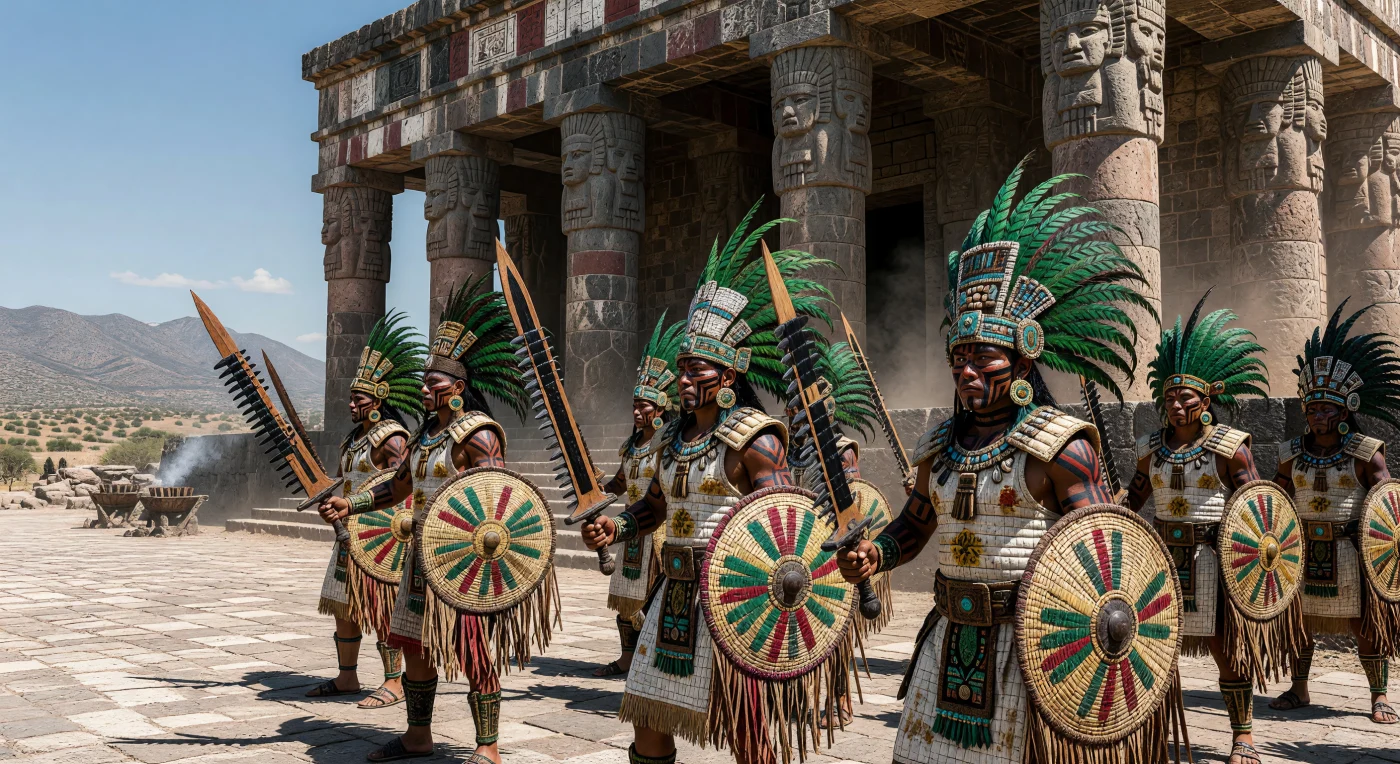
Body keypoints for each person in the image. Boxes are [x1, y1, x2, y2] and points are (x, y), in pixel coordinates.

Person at [837, 160, 1164, 764]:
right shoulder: (939, 447)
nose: (965, 370)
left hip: (1034, 648)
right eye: (957, 356)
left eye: (982, 356)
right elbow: (914, 524)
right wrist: (875, 554)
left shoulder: (1062, 447)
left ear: (1021, 361)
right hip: (949, 639)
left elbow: (1102, 558)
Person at [581, 202, 838, 764]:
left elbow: (785, 530)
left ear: (729, 375)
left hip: (733, 600)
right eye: (683, 367)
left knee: (747, 730)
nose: (684, 378)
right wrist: (616, 524)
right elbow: (652, 507)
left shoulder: (756, 440)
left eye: (697, 369)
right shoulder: (672, 438)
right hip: (669, 595)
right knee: (649, 720)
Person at [319, 277, 537, 764]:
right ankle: (418, 736)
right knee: (415, 645)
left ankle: (489, 746)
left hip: (462, 561)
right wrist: (350, 506)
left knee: (474, 648)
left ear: (457, 389)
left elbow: (493, 495)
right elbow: (398, 487)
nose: (423, 389)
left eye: (432, 383)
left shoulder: (477, 434)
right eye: (422, 382)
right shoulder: (422, 438)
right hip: (418, 558)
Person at [1126, 289, 1303, 764]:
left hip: (1214, 559)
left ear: (1206, 399)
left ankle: (1242, 734)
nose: (1176, 404)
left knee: (1228, 647)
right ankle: (1149, 732)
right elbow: (1134, 498)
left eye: (1185, 396)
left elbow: (1256, 505)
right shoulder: (1149, 446)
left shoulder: (1230, 446)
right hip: (1162, 559)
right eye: (1169, 396)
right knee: (1154, 648)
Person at [1267, 301, 1400, 724]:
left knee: (1365, 623)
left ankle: (1378, 695)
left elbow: (1388, 505)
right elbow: (1275, 498)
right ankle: (1300, 688)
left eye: (1326, 408)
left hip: (1351, 550)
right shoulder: (1290, 454)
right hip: (1302, 550)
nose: (1317, 415)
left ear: (1344, 412)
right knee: (1301, 623)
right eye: (1312, 408)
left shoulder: (1366, 452)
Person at [307, 311, 424, 710]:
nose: (352, 403)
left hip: (381, 538)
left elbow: (402, 488)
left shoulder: (392, 437)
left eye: (359, 398)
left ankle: (394, 681)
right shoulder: (353, 439)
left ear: (378, 400)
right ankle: (347, 676)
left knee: (382, 606)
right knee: (345, 604)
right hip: (348, 532)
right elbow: (345, 480)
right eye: (353, 397)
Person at [784, 341, 885, 728]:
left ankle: (840, 698)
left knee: (838, 627)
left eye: (804, 410)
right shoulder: (787, 452)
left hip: (835, 547)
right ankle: (795, 695)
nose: (796, 416)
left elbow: (852, 500)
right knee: (796, 622)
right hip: (798, 548)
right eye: (793, 410)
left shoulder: (841, 450)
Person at [594, 315, 684, 678]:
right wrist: (593, 482)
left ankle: (649, 661)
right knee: (625, 602)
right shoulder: (631, 446)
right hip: (630, 532)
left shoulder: (668, 443)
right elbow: (618, 484)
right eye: (635, 405)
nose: (637, 411)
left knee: (651, 601)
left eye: (644, 406)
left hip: (657, 534)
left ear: (660, 409)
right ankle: (628, 660)